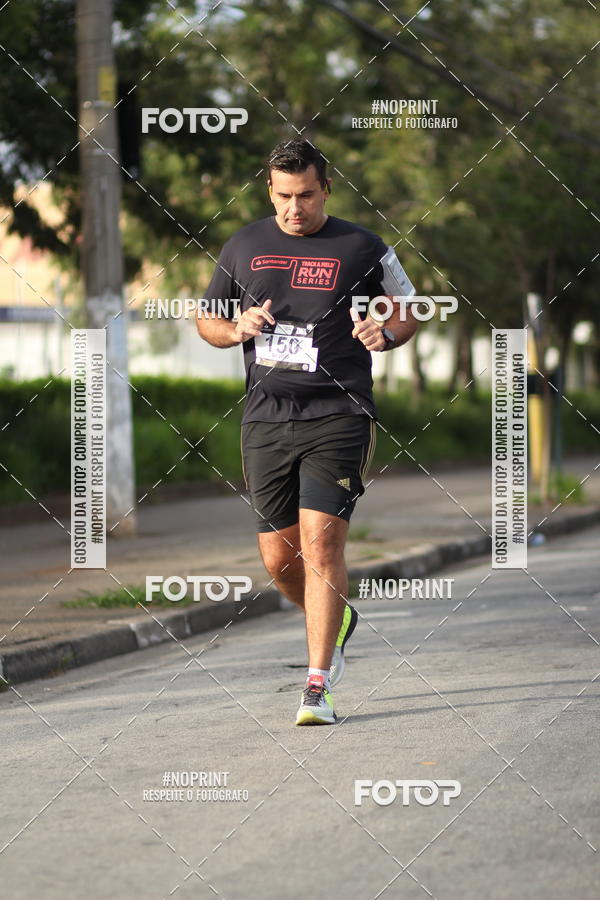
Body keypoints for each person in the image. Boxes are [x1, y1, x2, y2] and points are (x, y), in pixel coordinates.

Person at [197, 139, 418, 725]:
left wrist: (387, 335)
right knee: (278, 560)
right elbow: (206, 318)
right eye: (284, 196)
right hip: (266, 417)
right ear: (270, 190)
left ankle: (317, 684)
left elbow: (408, 307)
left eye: (307, 196)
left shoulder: (362, 244)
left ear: (327, 189)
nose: (295, 209)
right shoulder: (243, 244)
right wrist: (235, 327)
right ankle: (336, 614)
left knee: (323, 544)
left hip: (339, 414)